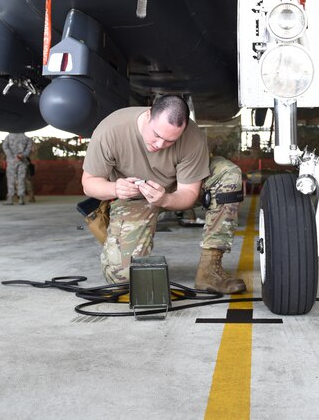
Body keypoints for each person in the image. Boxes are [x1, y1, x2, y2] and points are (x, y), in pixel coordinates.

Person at [80, 95, 246, 294]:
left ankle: (210, 271)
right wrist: (115, 188)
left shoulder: (192, 137)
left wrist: (165, 199)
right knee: (121, 278)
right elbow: (89, 184)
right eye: (156, 135)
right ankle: (119, 243)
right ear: (149, 114)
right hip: (134, 197)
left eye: (170, 141)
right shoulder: (111, 130)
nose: (159, 145)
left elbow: (188, 193)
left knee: (228, 175)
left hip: (174, 189)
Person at [2, 132, 33, 205]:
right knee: (21, 179)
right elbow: (29, 148)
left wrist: (12, 157)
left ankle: (10, 199)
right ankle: (21, 199)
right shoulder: (26, 138)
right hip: (22, 161)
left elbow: (5, 147)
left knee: (11, 179)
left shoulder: (8, 137)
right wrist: (22, 155)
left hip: (11, 161)